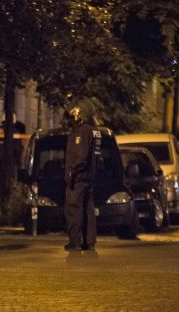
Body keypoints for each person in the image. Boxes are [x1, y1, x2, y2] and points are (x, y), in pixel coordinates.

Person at [64, 98, 101, 251]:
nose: (74, 113)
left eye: (77, 110)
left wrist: (72, 170)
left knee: (74, 208)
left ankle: (75, 242)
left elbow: (80, 155)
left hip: (79, 177)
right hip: (89, 177)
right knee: (88, 209)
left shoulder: (83, 130)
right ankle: (89, 241)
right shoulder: (95, 130)